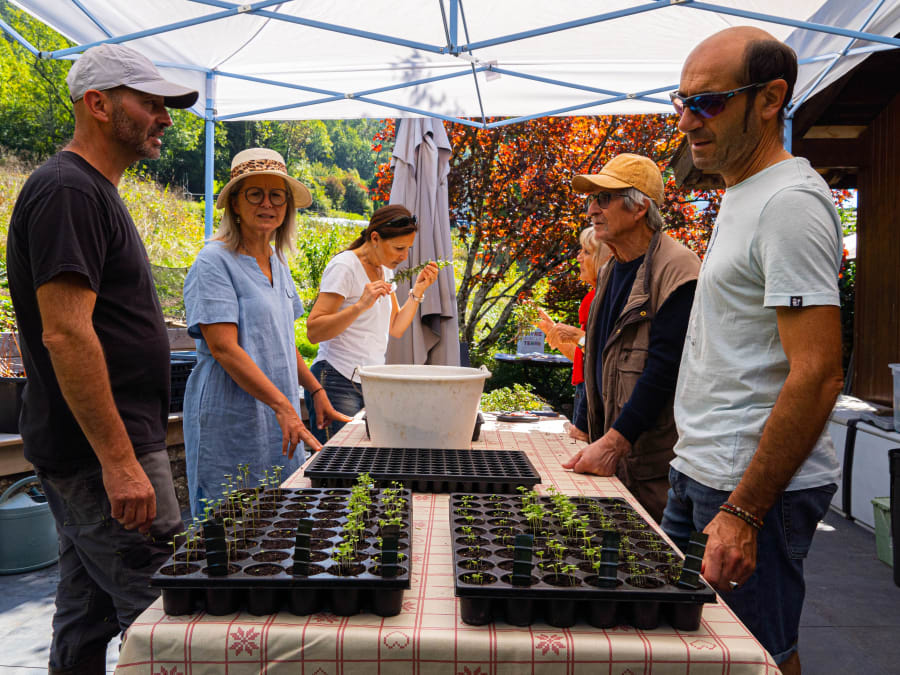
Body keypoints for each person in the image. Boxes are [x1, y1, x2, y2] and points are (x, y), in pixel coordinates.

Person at [4, 43, 197, 674]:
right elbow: (66, 335)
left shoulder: (90, 190)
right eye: (150, 104)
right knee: (168, 622)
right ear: (98, 104)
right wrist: (119, 462)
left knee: (85, 617)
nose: (166, 118)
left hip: (95, 450)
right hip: (101, 455)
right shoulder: (68, 191)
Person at [662, 27, 844, 675]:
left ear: (770, 99)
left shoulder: (789, 203)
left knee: (757, 657)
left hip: (744, 487)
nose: (686, 120)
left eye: (707, 103)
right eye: (679, 101)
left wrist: (743, 509)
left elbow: (819, 371)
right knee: (701, 653)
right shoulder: (744, 193)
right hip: (705, 469)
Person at [182, 148, 349, 517]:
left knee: (277, 515)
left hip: (278, 412)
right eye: (254, 193)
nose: (267, 204)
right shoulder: (214, 261)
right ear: (235, 204)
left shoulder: (277, 261)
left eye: (277, 195)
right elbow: (224, 349)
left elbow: (282, 342)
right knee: (230, 517)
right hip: (233, 414)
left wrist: (315, 390)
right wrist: (284, 407)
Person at [561, 153, 700, 523]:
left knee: (651, 567)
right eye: (591, 200)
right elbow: (601, 359)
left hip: (653, 467)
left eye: (603, 199)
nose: (592, 210)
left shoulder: (677, 269)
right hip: (617, 456)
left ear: (639, 207)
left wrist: (614, 442)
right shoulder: (611, 269)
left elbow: (664, 369)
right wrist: (588, 428)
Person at [305, 204, 440, 443]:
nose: (404, 256)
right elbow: (314, 331)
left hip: (370, 382)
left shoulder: (384, 271)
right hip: (336, 380)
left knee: (362, 467)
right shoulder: (345, 266)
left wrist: (418, 291)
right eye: (399, 248)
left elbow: (396, 327)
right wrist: (360, 306)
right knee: (339, 469)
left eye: (408, 248)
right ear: (375, 238)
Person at [536, 227, 610, 441]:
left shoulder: (599, 299)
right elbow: (584, 356)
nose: (578, 257)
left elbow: (603, 356)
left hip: (594, 392)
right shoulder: (592, 297)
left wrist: (577, 336)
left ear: (605, 258)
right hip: (585, 388)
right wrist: (554, 334)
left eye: (586, 252)